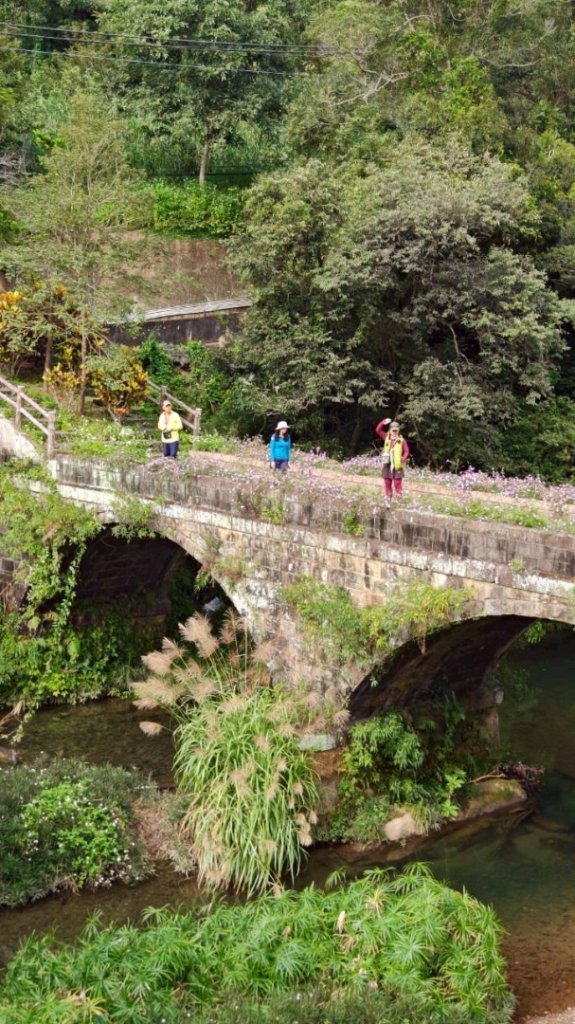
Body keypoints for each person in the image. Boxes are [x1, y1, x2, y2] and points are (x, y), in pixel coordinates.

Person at [375, 417, 410, 507]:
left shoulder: (402, 441)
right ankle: (388, 500)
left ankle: (399, 501)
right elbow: (378, 430)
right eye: (393, 430)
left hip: (397, 465)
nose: (394, 432)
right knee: (387, 482)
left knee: (397, 483)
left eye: (396, 430)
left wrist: (404, 458)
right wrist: (383, 422)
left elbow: (406, 451)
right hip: (387, 464)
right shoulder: (386, 437)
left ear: (398, 431)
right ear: (390, 430)